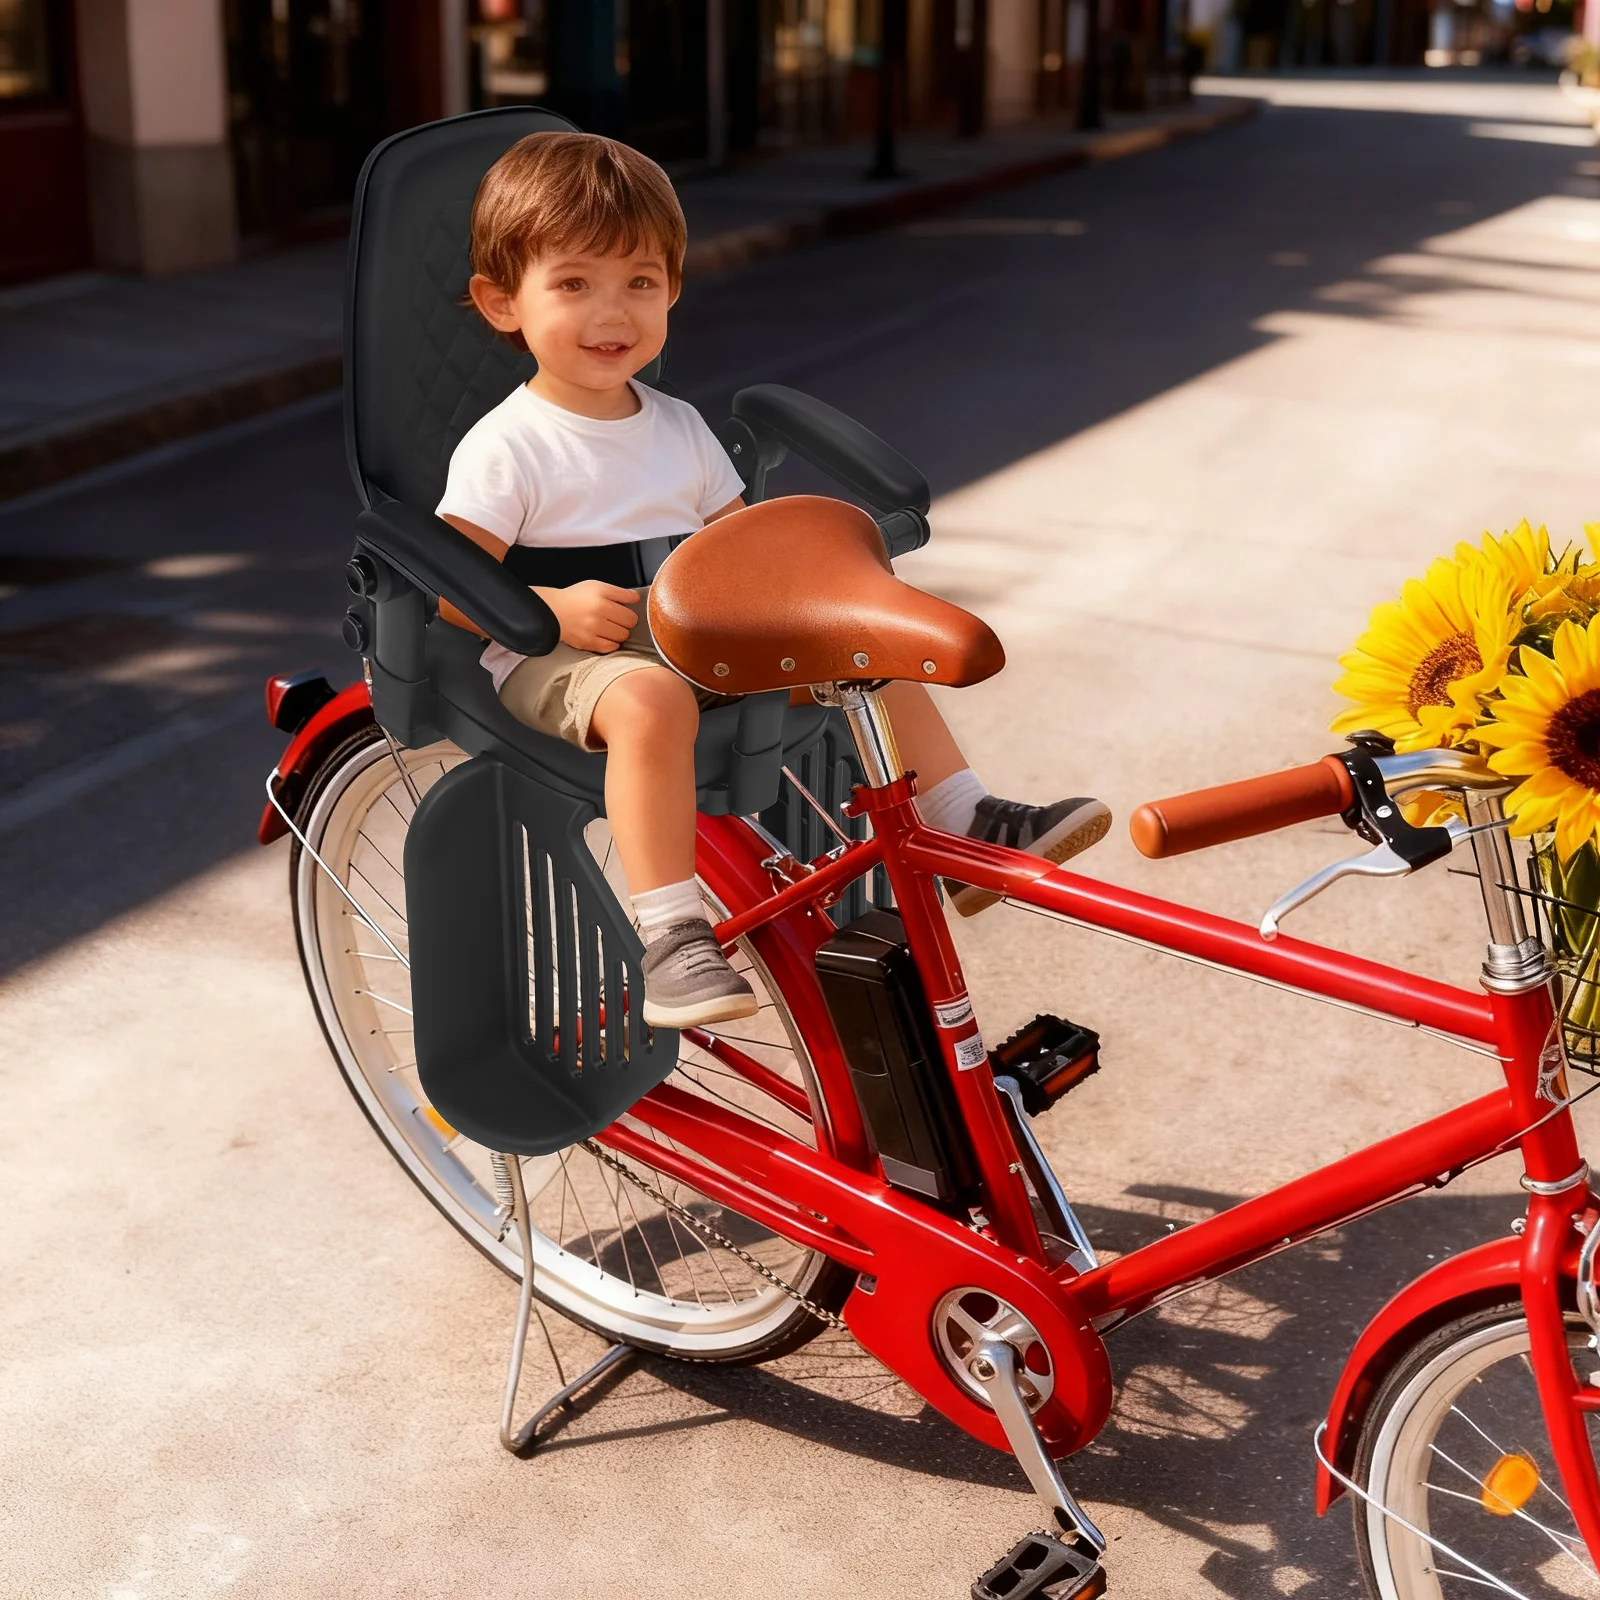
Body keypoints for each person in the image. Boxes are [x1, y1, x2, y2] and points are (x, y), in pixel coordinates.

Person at [437, 131, 1109, 1029]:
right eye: (573, 284)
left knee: (867, 647)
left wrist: (815, 598)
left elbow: (732, 551)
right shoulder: (507, 446)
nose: (613, 312)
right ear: (501, 302)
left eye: (640, 282)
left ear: (672, 289)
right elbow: (448, 583)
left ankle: (965, 816)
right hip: (560, 655)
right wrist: (545, 609)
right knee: (648, 706)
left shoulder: (677, 426)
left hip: (683, 635)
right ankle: (673, 933)